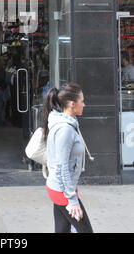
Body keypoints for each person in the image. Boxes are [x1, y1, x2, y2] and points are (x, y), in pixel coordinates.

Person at [43, 82, 94, 233]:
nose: (84, 104)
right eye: (82, 101)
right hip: (62, 191)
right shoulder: (65, 129)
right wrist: (72, 200)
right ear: (72, 104)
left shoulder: (67, 124)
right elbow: (62, 166)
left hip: (62, 189)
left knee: (62, 229)